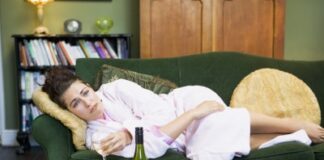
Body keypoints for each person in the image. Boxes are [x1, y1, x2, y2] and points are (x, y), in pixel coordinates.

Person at [42, 67, 324, 160]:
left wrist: (130, 132)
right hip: (188, 122)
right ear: (71, 112)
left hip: (185, 103)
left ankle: (289, 124)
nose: (87, 103)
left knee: (211, 119)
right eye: (76, 104)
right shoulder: (98, 137)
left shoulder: (117, 88)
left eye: (85, 93)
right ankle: (298, 135)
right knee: (204, 150)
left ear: (91, 88)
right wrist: (132, 135)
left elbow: (162, 112)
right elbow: (149, 151)